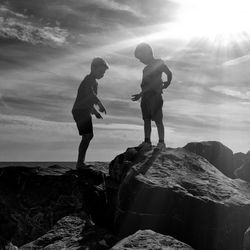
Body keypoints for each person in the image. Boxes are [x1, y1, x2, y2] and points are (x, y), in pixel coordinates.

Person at [131, 43, 172, 151]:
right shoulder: (145, 69)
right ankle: (147, 141)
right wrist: (140, 95)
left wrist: (168, 82)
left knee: (158, 120)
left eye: (141, 57)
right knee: (146, 120)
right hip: (145, 97)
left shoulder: (159, 62)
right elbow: (145, 85)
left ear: (148, 52)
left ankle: (161, 143)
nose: (140, 60)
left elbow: (168, 72)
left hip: (155, 96)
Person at [72, 57, 109, 169]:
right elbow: (90, 94)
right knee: (88, 135)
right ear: (93, 68)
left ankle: (80, 162)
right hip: (80, 110)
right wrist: (100, 104)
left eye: (104, 73)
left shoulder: (93, 81)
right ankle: (80, 163)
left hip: (82, 110)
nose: (102, 75)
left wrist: (95, 112)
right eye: (101, 71)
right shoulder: (89, 79)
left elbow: (88, 100)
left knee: (87, 136)